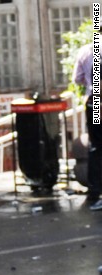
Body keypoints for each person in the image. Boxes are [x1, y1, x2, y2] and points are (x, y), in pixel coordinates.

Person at [73, 43, 101, 210]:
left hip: (94, 102)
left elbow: (77, 78)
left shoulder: (86, 50)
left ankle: (95, 191)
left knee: (96, 147)